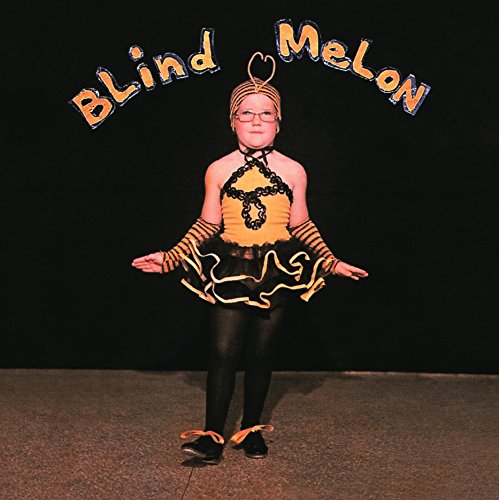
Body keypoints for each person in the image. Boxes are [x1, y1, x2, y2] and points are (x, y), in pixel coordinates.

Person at [131, 52, 368, 465]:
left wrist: (330, 261)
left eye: (266, 114)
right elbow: (207, 223)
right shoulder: (218, 169)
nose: (256, 121)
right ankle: (212, 436)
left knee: (261, 353)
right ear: (233, 121)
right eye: (246, 114)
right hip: (230, 268)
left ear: (278, 122)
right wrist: (171, 258)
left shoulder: (293, 170)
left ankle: (253, 429)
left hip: (276, 271)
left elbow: (301, 224)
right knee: (223, 351)